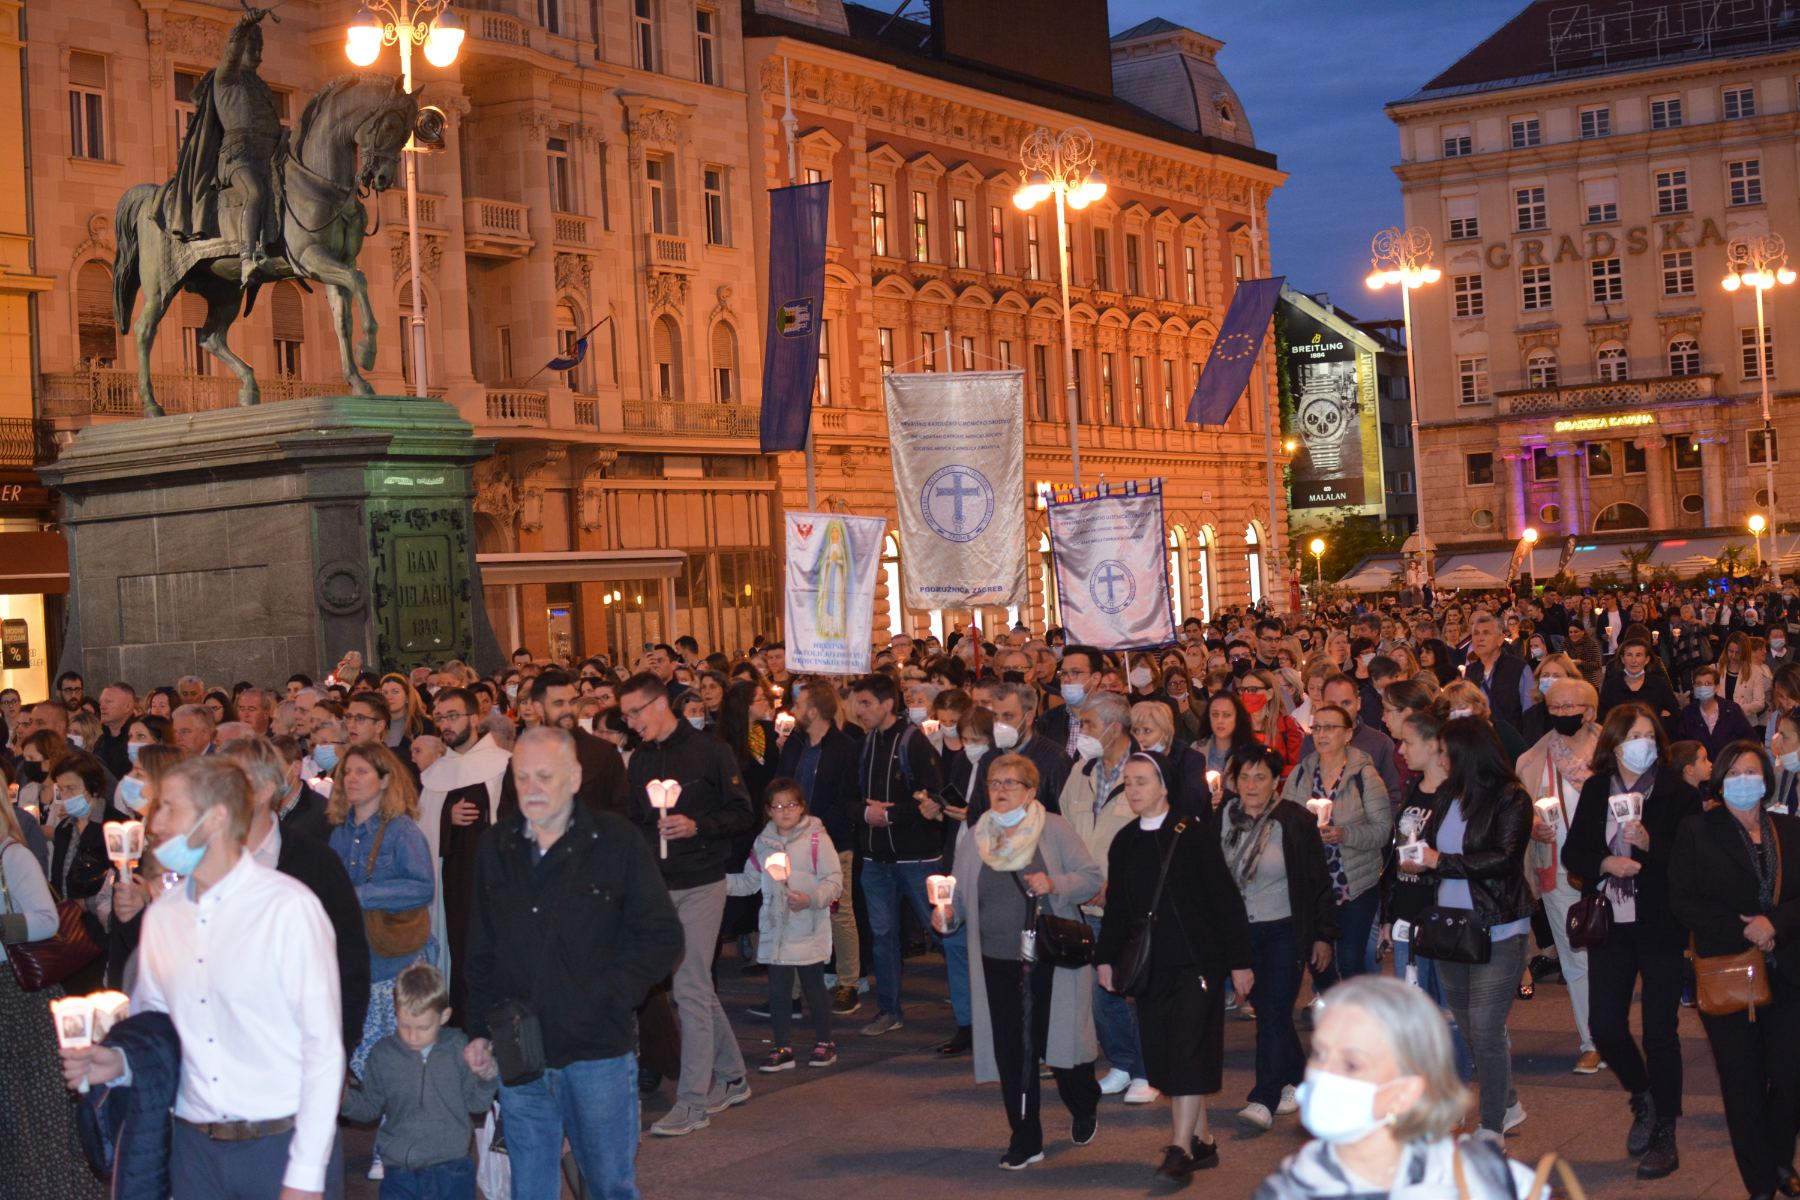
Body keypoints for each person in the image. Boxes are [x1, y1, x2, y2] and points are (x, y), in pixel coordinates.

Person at [60, 757, 343, 1199]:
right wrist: (120, 1063)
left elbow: (324, 1050)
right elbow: (157, 1028)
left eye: (170, 807)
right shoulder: (165, 918)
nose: (154, 823)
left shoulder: (286, 908)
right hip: (193, 1150)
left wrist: (305, 1176)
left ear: (217, 818)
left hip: (280, 1144)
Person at [464, 727, 683, 1200]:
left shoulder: (616, 841)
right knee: (531, 1189)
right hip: (522, 1052)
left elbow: (662, 935)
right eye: (521, 777)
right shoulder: (495, 846)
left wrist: (611, 995)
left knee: (608, 1186)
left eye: (545, 775)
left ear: (576, 776)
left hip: (598, 1052)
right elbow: (480, 946)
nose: (533, 788)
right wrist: (478, 1030)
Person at [939, 753, 1103, 1169]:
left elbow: (1091, 877)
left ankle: (1083, 1101)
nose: (1002, 790)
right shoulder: (976, 836)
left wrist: (1055, 883)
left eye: (1012, 783)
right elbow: (957, 900)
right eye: (995, 782)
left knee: (1059, 1047)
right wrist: (945, 915)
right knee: (1014, 1052)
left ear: (1031, 791)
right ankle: (1026, 1138)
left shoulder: (1055, 829)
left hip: (1049, 958)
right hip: (997, 961)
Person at [1098, 752, 1255, 1181]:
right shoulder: (1125, 841)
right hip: (1151, 968)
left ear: (1164, 786)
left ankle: (1180, 1147)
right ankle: (1203, 1142)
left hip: (1196, 965)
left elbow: (1225, 900)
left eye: (1141, 781)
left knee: (1187, 1051)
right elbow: (1118, 909)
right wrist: (1106, 959)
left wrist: (1240, 962)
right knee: (1169, 1055)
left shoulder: (1193, 835)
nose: (1132, 789)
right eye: (1127, 782)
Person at [1252, 976, 1549, 1199]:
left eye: (1352, 1064)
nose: (1324, 1075)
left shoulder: (1485, 1183)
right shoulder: (1291, 1185)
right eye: (1319, 1053)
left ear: (1407, 1091)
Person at [1563, 701, 1700, 1180]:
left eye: (1649, 735)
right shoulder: (1599, 787)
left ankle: (1665, 1127)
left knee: (1660, 1032)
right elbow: (1574, 850)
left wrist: (1648, 847)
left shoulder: (1676, 793)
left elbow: (1689, 861)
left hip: (1660, 924)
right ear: (1615, 744)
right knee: (1606, 1025)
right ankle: (1641, 1094)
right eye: (1633, 736)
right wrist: (1605, 862)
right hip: (1610, 922)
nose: (1642, 744)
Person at [619, 672, 756, 1136]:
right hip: (659, 887)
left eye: (634, 712)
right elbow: (633, 821)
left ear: (660, 704)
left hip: (702, 882)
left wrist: (696, 825)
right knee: (693, 984)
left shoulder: (711, 751)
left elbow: (742, 812)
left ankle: (693, 1101)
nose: (630, 722)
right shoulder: (638, 761)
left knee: (689, 989)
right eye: (625, 715)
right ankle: (733, 1076)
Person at [1669, 740, 1800, 1200]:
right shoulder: (1697, 831)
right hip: (1729, 971)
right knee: (1742, 1084)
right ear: (1721, 781)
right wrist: (1745, 930)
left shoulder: (1790, 829)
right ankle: (1761, 1182)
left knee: (1789, 1078)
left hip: (1788, 971)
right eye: (1736, 772)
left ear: (1765, 779)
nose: (1745, 780)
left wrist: (1774, 925)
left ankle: (1781, 1156)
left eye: (1753, 771)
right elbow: (1683, 900)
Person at [1398, 715, 1533, 1136]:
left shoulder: (1512, 797)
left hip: (1498, 926)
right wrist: (1420, 862)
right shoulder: (1448, 797)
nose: (1441, 759)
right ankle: (1507, 1103)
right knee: (1471, 1026)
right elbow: (1435, 851)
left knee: (1488, 1028)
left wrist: (1441, 862)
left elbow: (1505, 859)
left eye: (1445, 752)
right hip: (1451, 925)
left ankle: (1491, 1126)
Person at [221, 737, 370, 1055]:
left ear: (263, 791)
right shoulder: (205, 862)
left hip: (294, 1042)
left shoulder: (314, 862)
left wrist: (340, 1047)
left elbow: (348, 957)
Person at [1220, 743, 1336, 1134]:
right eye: (1244, 777)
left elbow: (1318, 881)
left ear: (1276, 782)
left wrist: (1322, 936)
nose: (1251, 785)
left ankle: (1263, 1097)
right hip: (1238, 931)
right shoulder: (1221, 817)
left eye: (1261, 777)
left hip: (1285, 929)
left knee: (1271, 1012)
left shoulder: (1295, 820)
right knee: (1270, 1011)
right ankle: (1302, 1079)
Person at [0, 798, 106, 1200]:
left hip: (18, 994)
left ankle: (51, 1189)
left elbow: (45, 920)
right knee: (11, 1114)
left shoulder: (13, 856)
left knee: (34, 1109)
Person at [1061, 692, 1156, 1106]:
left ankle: (1146, 1070)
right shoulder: (1080, 772)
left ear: (1115, 729)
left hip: (1125, 906)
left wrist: (1120, 887)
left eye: (1089, 725)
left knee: (1130, 987)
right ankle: (1121, 1062)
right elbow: (1064, 828)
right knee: (1100, 993)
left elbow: (1152, 839)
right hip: (1083, 903)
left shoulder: (1143, 773)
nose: (1081, 733)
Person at [327, 743, 436, 1093]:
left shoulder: (401, 830)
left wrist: (361, 895)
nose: (351, 779)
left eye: (362, 772)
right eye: (347, 772)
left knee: (403, 1062)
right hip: (357, 962)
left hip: (395, 963)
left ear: (385, 780)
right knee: (365, 1063)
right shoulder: (339, 834)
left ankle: (402, 1143)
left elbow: (423, 887)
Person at [844, 672, 946, 1039]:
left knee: (942, 931)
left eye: (867, 702)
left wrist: (889, 814)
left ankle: (972, 1006)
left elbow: (934, 797)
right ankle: (889, 1010)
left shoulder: (913, 743)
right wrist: (864, 814)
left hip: (917, 858)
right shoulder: (865, 743)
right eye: (857, 703)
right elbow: (849, 797)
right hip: (875, 858)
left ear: (888, 704)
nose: (860, 710)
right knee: (883, 934)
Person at [340, 962, 498, 1198]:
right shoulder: (383, 1055)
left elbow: (477, 1104)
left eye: (423, 1027)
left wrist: (487, 1076)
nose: (413, 1036)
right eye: (405, 1026)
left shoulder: (458, 1049)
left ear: (444, 1016)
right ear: (395, 1011)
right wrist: (343, 1099)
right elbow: (369, 1107)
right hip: (399, 1172)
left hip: (452, 1169)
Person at [1513, 677, 1603, 1073]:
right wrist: (1530, 822)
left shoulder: (1613, 751)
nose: (1564, 713)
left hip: (1613, 871)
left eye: (1572, 706)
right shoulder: (1533, 759)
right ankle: (1591, 1040)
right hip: (1558, 871)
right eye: (1557, 707)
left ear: (1591, 710)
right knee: (1575, 957)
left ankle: (1615, 1033)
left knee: (1617, 957)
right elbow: (1517, 810)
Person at [726, 779, 843, 1071]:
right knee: (778, 990)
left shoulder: (817, 839)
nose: (785, 811)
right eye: (777, 806)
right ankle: (782, 1046)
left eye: (790, 804)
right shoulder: (762, 844)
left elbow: (834, 881)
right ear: (768, 811)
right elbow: (749, 882)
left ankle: (825, 1042)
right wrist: (715, 882)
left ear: (801, 806)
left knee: (813, 985)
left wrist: (812, 898)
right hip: (776, 927)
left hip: (808, 924)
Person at [417, 686, 510, 1023]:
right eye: (439, 717)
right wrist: (447, 818)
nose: (445, 724)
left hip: (493, 881)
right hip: (451, 881)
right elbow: (423, 826)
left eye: (452, 716)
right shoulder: (433, 775)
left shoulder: (502, 765)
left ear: (474, 718)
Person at [1279, 703, 1391, 980]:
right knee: (1318, 960)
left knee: (1351, 959)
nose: (1322, 734)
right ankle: (1331, 1013)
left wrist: (1345, 834)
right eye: (1317, 727)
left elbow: (1381, 830)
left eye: (1330, 727)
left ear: (1348, 733)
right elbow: (1282, 823)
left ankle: (1358, 1018)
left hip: (1354, 882)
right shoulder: (1301, 773)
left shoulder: (1365, 774)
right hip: (1314, 883)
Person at [773, 682, 863, 1016]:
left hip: (833, 843)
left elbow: (847, 798)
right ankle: (793, 992)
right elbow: (780, 785)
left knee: (839, 913)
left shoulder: (844, 747)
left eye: (799, 705)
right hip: (792, 843)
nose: (793, 711)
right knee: (794, 914)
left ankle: (848, 983)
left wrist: (818, 829)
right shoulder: (794, 745)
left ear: (813, 711)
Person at [1679, 663, 1756, 759]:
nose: (1703, 688)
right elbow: (1682, 748)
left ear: (1717, 687)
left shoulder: (1732, 709)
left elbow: (1750, 740)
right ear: (1693, 687)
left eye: (1708, 684)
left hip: (1729, 767)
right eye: (1699, 684)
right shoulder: (1687, 714)